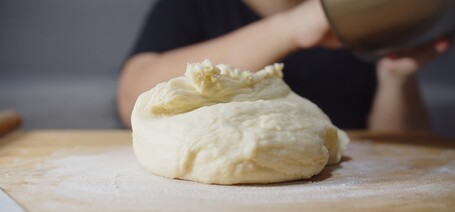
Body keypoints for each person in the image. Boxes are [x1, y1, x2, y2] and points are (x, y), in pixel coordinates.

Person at [117, 0, 450, 130]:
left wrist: (396, 77)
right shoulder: (194, 6)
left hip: (336, 211)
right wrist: (295, 27)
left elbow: (403, 161)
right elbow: (133, 100)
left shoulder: (355, 16)